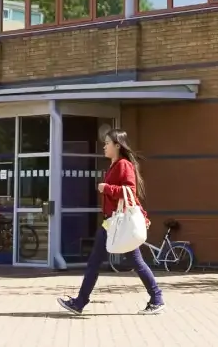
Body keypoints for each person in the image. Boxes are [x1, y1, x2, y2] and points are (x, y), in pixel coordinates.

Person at [57, 129, 164, 315]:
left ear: (117, 145)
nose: (104, 146)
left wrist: (106, 188)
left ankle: (156, 298)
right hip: (112, 223)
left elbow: (129, 191)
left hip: (118, 223)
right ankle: (80, 302)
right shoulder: (115, 165)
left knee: (129, 262)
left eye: (107, 143)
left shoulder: (123, 165)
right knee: (101, 263)